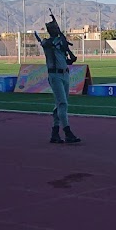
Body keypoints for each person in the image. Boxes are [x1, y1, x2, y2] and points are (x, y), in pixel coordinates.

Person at [38, 15, 81, 144]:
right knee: (62, 103)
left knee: (60, 104)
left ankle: (55, 132)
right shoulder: (48, 43)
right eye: (55, 28)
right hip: (55, 76)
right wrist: (60, 40)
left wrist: (70, 57)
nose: (57, 29)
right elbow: (47, 43)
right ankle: (67, 132)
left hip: (65, 74)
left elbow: (64, 59)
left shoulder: (60, 43)